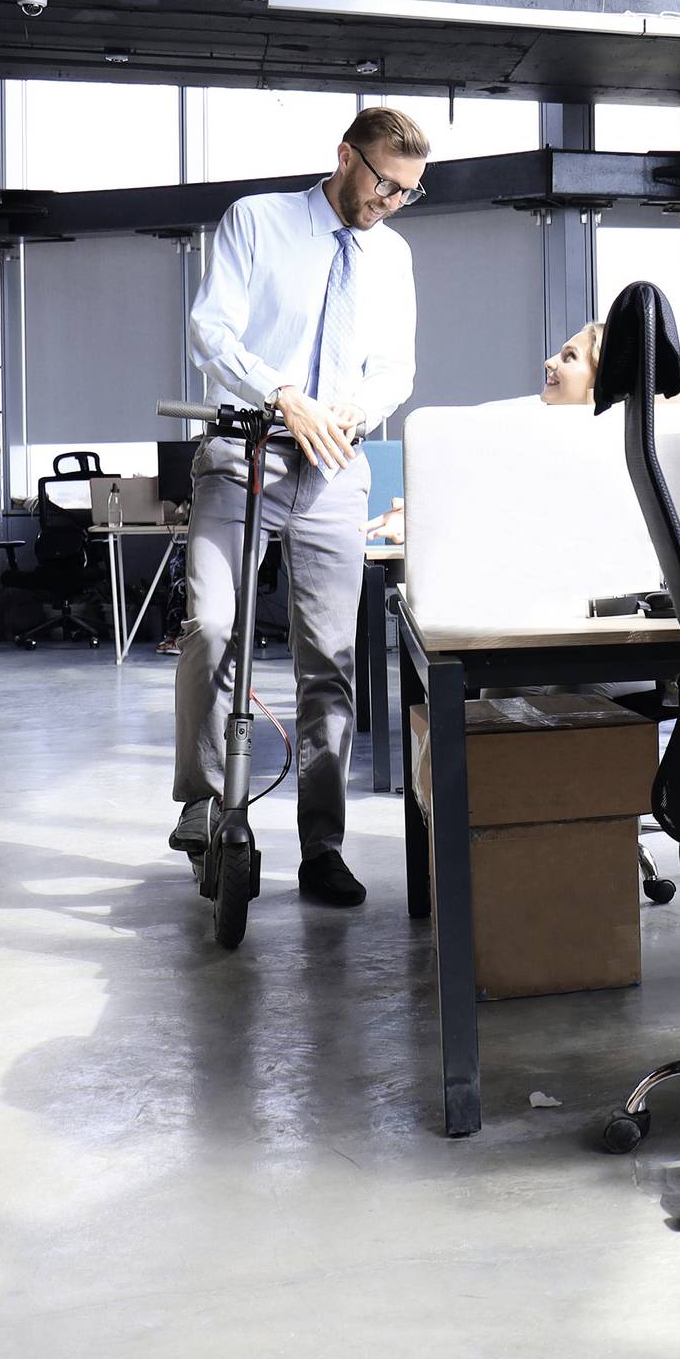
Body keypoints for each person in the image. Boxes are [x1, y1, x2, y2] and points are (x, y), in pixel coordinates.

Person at [169, 106, 426, 907]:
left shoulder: (392, 256)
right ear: (346, 156)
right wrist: (282, 393)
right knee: (213, 627)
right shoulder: (259, 221)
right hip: (246, 450)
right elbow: (211, 330)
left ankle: (323, 846)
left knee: (331, 663)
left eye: (407, 192)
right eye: (384, 182)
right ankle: (204, 806)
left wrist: (356, 406)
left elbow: (396, 369)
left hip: (337, 465)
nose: (390, 201)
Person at [361, 320, 600, 545]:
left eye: (570, 357)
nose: (550, 362)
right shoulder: (512, 428)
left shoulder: (603, 460)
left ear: (600, 380)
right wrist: (418, 518)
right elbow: (484, 501)